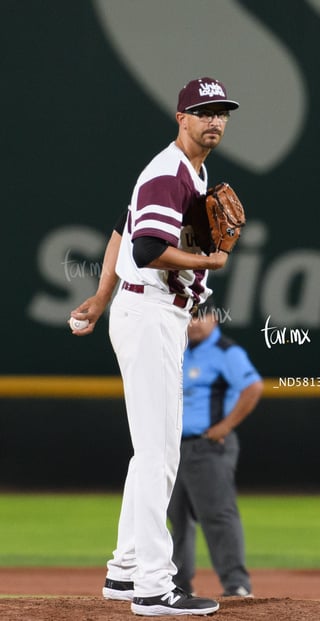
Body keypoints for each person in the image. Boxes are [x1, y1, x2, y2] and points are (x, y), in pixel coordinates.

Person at [70, 77, 240, 617]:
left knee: (150, 452)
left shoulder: (187, 170)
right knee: (160, 453)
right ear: (181, 117)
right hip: (149, 313)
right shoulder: (169, 172)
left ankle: (124, 571)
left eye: (222, 112)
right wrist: (206, 262)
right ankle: (152, 586)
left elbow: (122, 227)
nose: (215, 120)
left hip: (148, 312)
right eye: (204, 111)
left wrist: (99, 297)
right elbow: (145, 249)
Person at [167, 299, 263, 598]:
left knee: (217, 514)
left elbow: (253, 387)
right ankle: (177, 584)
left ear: (215, 319)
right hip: (173, 449)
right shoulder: (178, 348)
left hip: (208, 446)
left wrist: (225, 426)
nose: (194, 322)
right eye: (189, 316)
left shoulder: (226, 352)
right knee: (175, 518)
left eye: (200, 316)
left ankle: (236, 584)